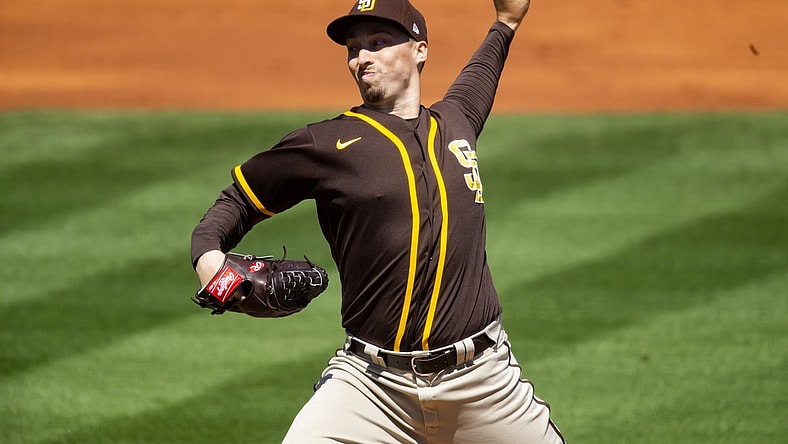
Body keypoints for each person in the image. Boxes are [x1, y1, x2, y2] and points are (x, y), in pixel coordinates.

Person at [191, 0, 565, 442]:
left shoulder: (457, 121)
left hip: (483, 382)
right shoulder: (325, 143)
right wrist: (211, 263)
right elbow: (235, 202)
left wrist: (506, 22)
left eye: (379, 42)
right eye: (353, 48)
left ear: (420, 50)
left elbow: (481, 72)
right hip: (371, 387)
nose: (362, 57)